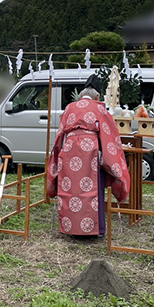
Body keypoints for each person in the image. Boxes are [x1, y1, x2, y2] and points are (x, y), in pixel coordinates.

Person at [47, 75, 130, 237]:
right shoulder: (100, 109)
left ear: (81, 94)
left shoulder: (69, 107)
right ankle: (94, 230)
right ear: (97, 96)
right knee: (91, 189)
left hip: (68, 152)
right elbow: (110, 135)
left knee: (70, 189)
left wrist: (58, 156)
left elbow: (60, 135)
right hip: (90, 153)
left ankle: (70, 228)